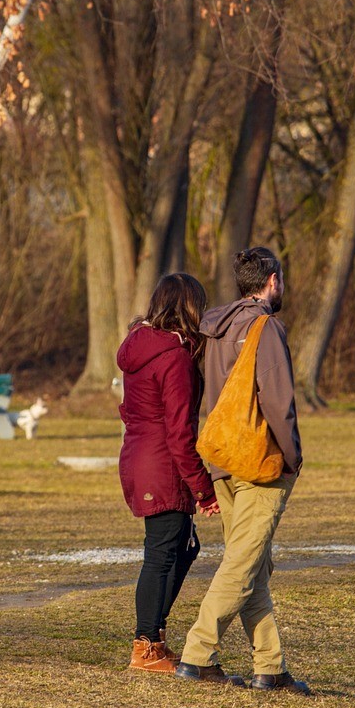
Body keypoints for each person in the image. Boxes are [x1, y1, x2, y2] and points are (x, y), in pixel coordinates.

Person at [175, 246, 309, 695]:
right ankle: (198, 653)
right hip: (260, 463)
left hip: (223, 461)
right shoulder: (265, 327)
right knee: (242, 564)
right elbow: (278, 401)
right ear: (272, 281)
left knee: (252, 564)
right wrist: (292, 456)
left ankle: (270, 667)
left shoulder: (214, 328)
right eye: (281, 279)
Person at [117, 273, 219, 674]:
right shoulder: (174, 357)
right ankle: (145, 646)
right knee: (161, 553)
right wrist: (203, 489)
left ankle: (154, 638)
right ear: (189, 308)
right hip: (162, 462)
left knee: (183, 547)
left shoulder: (141, 344)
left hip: (140, 456)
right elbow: (179, 432)